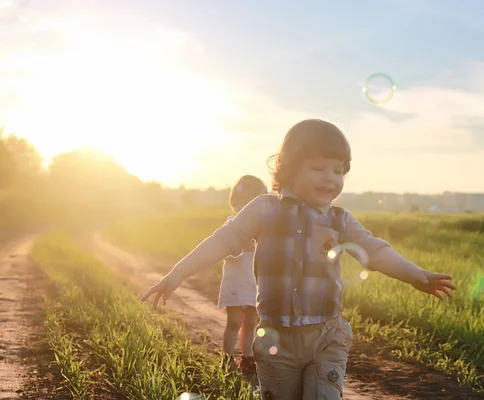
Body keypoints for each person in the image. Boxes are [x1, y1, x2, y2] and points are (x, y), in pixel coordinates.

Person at [141, 119, 456, 400]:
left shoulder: (340, 220)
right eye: (318, 168)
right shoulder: (264, 209)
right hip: (276, 342)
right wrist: (178, 274)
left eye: (338, 170)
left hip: (326, 337)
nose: (330, 178)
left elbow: (374, 251)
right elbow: (224, 240)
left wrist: (415, 274)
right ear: (289, 168)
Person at [218, 175, 267, 374]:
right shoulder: (232, 225)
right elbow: (223, 248)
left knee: (252, 322)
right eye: (243, 203)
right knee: (235, 321)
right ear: (235, 204)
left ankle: (247, 358)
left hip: (254, 284)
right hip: (236, 283)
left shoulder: (263, 229)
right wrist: (239, 246)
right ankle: (226, 357)